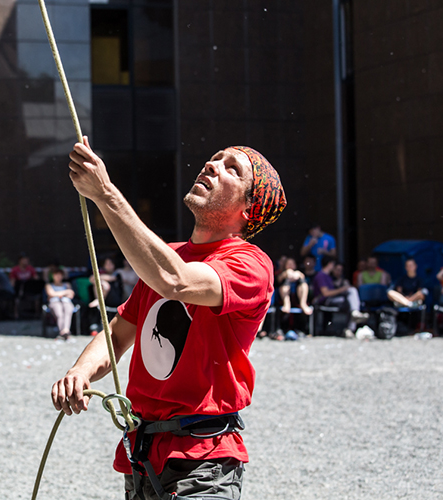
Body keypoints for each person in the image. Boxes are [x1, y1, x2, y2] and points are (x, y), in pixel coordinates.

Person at [52, 139, 286, 500]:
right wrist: (80, 372)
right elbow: (119, 333)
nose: (211, 166)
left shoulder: (251, 264)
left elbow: (176, 281)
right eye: (212, 159)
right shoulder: (166, 256)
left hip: (203, 457)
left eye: (231, 168)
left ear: (248, 208)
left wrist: (106, 195)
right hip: (143, 453)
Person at [311, 256, 368, 337]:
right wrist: (343, 289)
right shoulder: (321, 276)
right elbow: (326, 293)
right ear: (330, 264)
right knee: (351, 295)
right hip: (326, 300)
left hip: (333, 299)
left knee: (351, 300)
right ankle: (351, 325)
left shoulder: (328, 277)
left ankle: (352, 319)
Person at [46, 268, 76, 341]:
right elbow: (51, 294)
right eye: (56, 275)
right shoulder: (49, 285)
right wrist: (65, 292)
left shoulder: (67, 284)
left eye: (60, 275)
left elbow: (71, 295)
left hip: (66, 301)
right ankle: (62, 331)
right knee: (59, 313)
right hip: (54, 302)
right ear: (53, 276)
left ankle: (65, 330)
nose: (58, 277)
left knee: (68, 312)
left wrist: (58, 294)